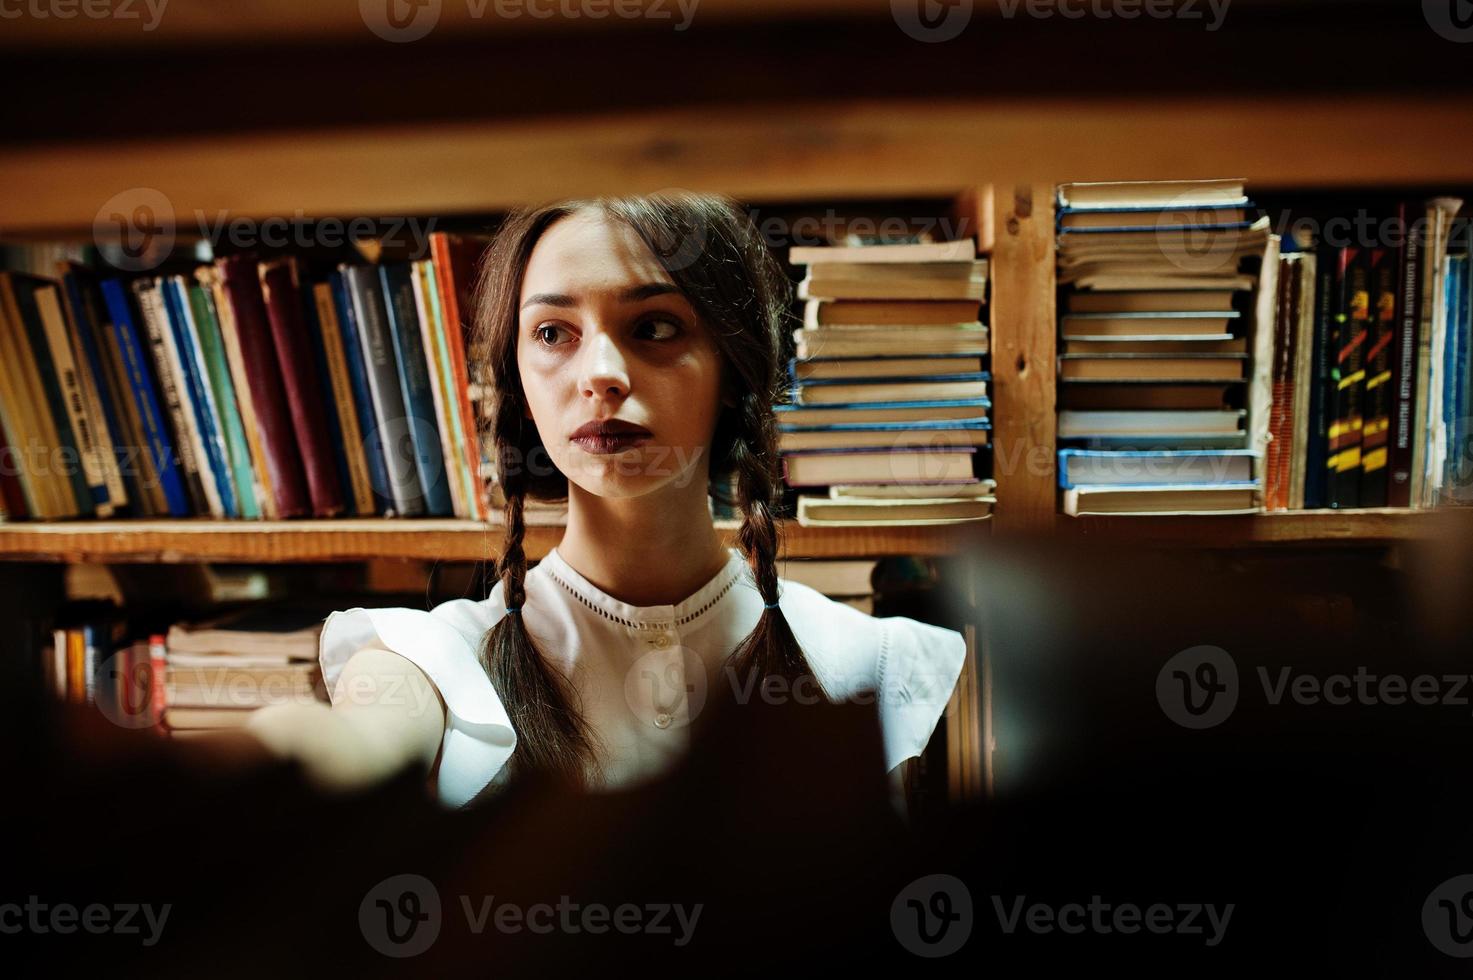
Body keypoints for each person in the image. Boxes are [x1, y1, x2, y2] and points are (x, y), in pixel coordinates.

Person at [243, 191, 966, 811]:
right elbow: (352, 742)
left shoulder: (869, 663)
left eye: (653, 327)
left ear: (733, 368)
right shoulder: (432, 658)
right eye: (554, 333)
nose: (601, 374)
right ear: (517, 381)